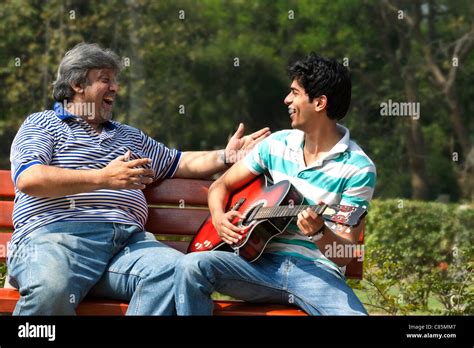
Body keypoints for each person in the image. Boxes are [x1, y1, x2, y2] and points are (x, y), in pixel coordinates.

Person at [8, 42, 270, 315]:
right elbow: (29, 178)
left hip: (127, 246)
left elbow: (180, 162)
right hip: (57, 240)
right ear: (77, 84)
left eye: (115, 81)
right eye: (105, 80)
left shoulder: (129, 136)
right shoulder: (43, 123)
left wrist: (226, 156)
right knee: (52, 288)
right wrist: (104, 178)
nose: (115, 88)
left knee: (177, 271)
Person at [174, 53, 376, 315]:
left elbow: (344, 253)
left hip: (317, 273)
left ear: (319, 102)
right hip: (258, 265)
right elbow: (220, 186)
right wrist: (220, 218)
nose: (287, 100)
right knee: (191, 267)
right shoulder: (276, 144)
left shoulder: (359, 167)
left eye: (294, 92)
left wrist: (319, 232)